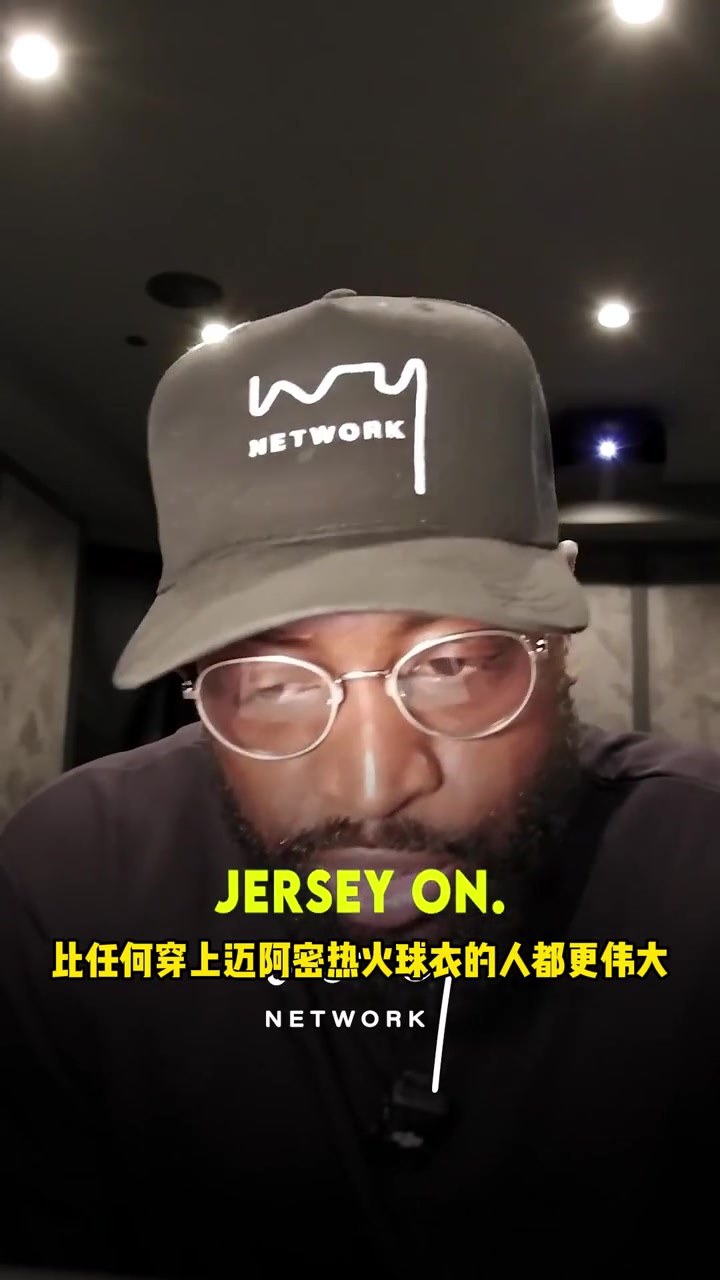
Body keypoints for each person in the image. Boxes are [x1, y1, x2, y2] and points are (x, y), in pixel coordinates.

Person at [1, 288, 719, 1279]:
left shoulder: (701, 871)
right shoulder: (76, 879)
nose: (376, 785)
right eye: (273, 682)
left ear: (560, 631)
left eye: (451, 662)